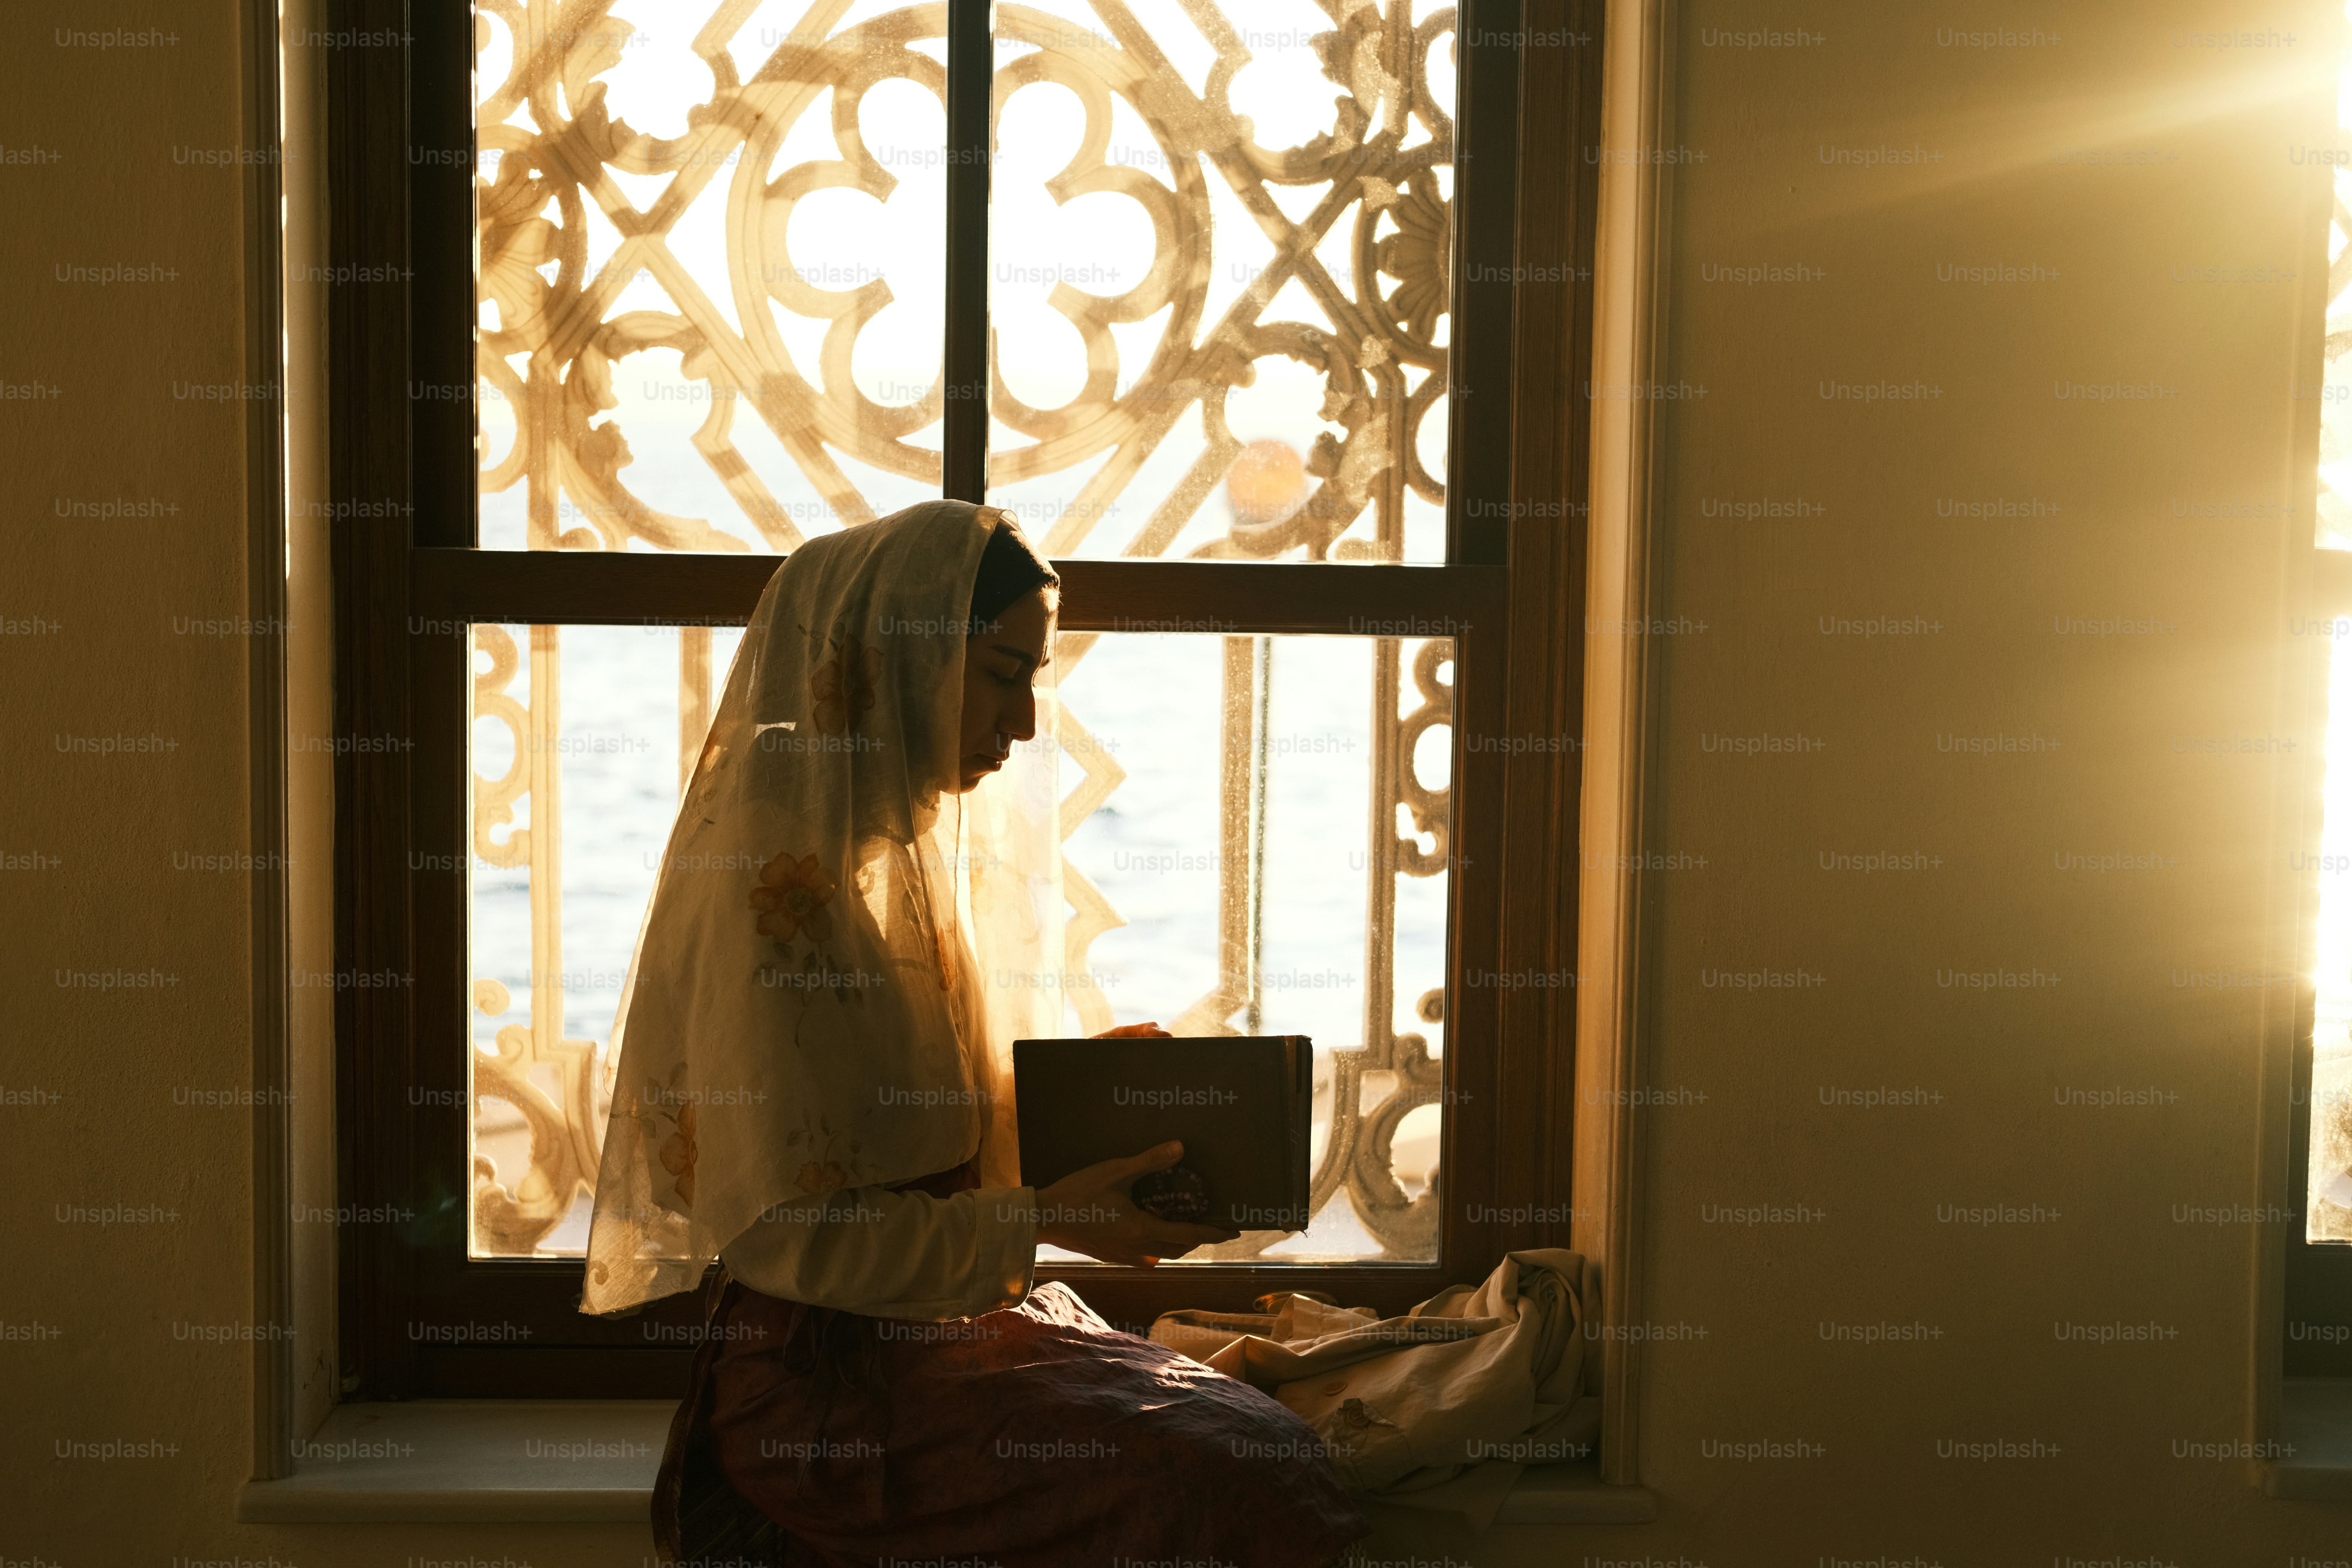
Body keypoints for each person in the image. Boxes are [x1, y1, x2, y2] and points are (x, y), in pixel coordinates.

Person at [581, 499, 1369, 1566]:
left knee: (1271, 1449)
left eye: (1032, 679)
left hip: (928, 1339)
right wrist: (1046, 1217)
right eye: (1003, 676)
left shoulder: (886, 864)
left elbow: (896, 1133)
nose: (1028, 723)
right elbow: (789, 1238)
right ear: (892, 666)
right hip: (830, 1392)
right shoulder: (769, 894)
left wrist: (1078, 1111)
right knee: (1236, 1484)